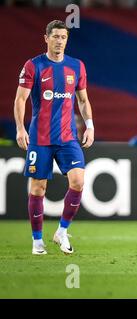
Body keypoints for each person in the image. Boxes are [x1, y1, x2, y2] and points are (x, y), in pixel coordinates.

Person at [14, 20, 94, 255]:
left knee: (78, 181)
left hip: (68, 137)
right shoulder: (33, 66)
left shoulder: (77, 66)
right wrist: (20, 128)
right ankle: (37, 241)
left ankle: (61, 231)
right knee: (39, 188)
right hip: (40, 137)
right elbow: (20, 99)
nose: (60, 41)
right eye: (56, 36)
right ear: (46, 38)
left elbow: (83, 100)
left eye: (63, 37)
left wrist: (89, 125)